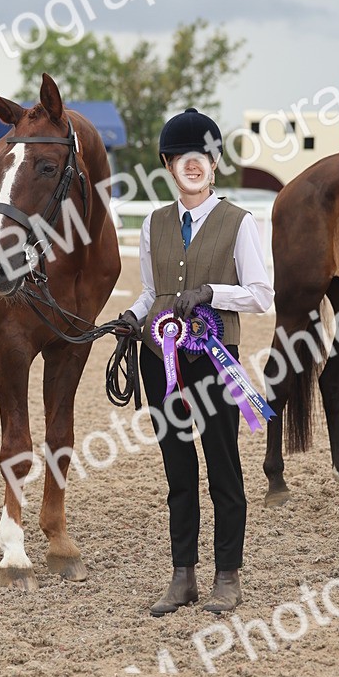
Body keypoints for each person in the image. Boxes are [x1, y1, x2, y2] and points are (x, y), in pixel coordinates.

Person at [118, 108, 273, 617]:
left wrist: (211, 293)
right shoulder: (154, 223)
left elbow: (260, 295)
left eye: (202, 156)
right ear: (167, 163)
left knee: (223, 468)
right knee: (178, 473)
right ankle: (182, 576)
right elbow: (151, 293)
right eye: (183, 156)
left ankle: (227, 577)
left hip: (214, 362)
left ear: (214, 162)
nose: (193, 164)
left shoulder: (239, 223)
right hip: (160, 363)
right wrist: (130, 317)